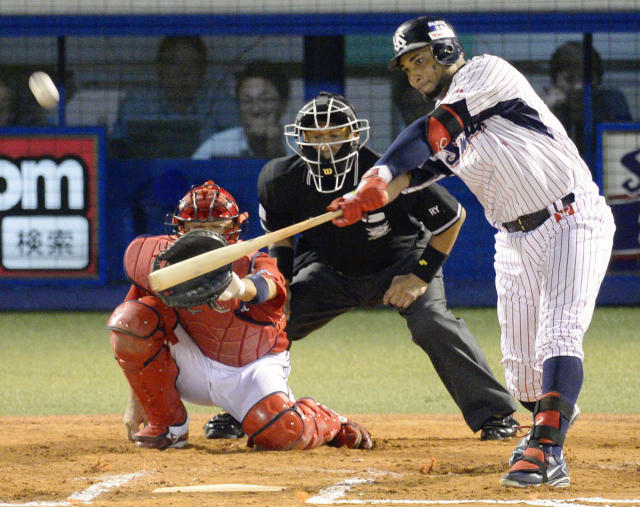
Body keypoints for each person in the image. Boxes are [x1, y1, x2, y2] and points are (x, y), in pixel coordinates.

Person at [330, 16, 616, 488]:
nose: (415, 72)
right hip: (514, 239)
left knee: (558, 337)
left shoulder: (485, 73)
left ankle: (546, 450)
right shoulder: (450, 119)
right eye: (406, 67)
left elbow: (430, 132)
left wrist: (375, 176)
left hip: (571, 219)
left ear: (446, 51)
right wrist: (370, 198)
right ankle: (554, 410)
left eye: (420, 59)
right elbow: (416, 173)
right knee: (524, 377)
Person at [203, 92, 519, 442]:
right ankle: (240, 410)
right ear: (299, 138)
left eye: (335, 135)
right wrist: (283, 287)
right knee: (268, 322)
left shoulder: (387, 173)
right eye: (315, 136)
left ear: (353, 135)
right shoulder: (279, 179)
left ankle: (495, 414)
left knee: (433, 323)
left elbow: (452, 219)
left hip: (401, 264)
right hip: (330, 270)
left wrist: (420, 276)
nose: (325, 145)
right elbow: (281, 240)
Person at [107, 179, 372, 452]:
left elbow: (268, 286)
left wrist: (239, 287)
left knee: (283, 432)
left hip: (250, 368)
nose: (206, 236)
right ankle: (168, 426)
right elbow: (131, 331)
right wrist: (137, 398)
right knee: (130, 319)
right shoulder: (161, 262)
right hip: (190, 363)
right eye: (196, 228)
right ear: (180, 229)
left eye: (216, 228)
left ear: (234, 229)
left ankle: (327, 420)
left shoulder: (254, 261)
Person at [111, 36, 237, 158]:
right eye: (174, 64)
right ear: (159, 69)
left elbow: (238, 143)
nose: (182, 73)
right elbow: (116, 149)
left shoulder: (217, 101)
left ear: (202, 72)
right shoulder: (138, 103)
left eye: (192, 64)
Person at [543, 40, 632, 156]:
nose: (579, 86)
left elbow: (625, 146)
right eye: (569, 79)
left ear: (598, 79)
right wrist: (547, 112)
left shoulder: (612, 102)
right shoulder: (545, 107)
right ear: (554, 81)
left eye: (587, 79)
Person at [192, 61, 293, 159]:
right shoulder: (216, 146)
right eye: (246, 101)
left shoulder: (303, 148)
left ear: (283, 104)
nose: (256, 109)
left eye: (265, 100)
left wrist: (278, 152)